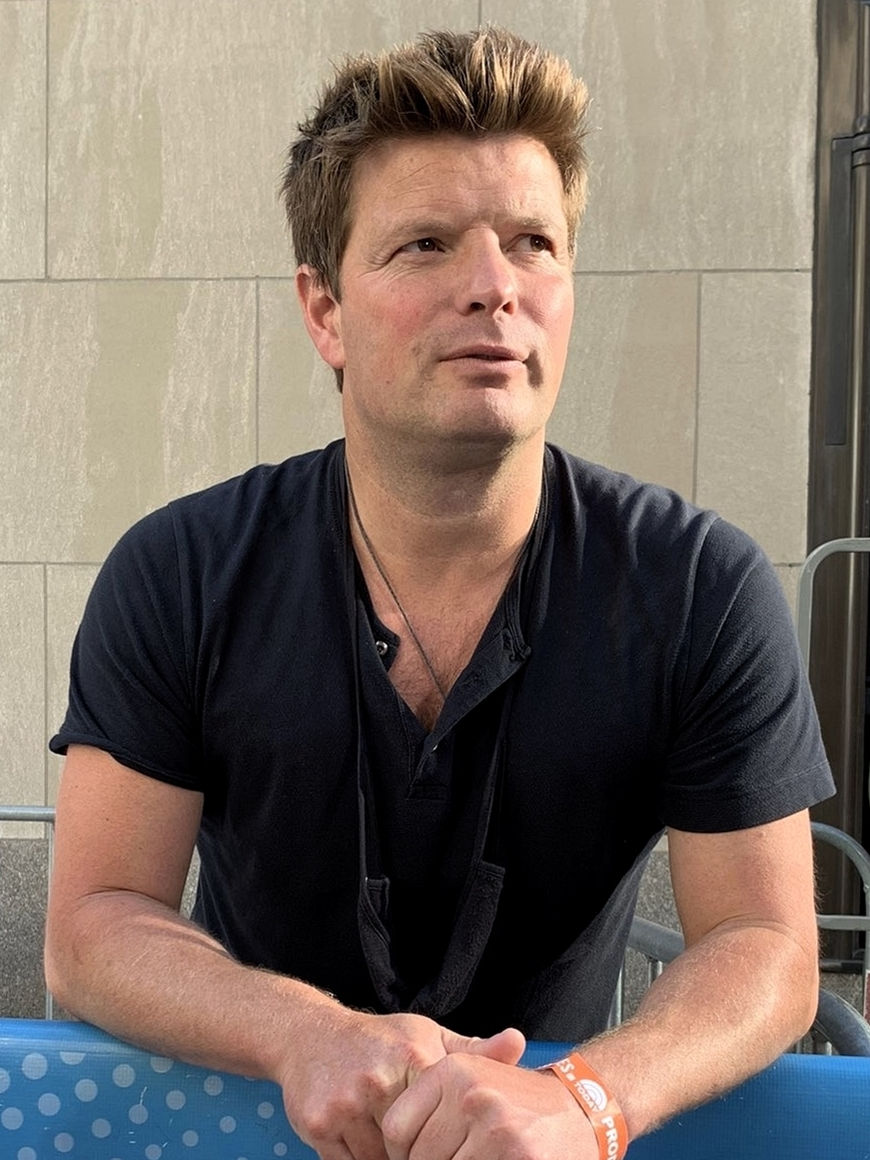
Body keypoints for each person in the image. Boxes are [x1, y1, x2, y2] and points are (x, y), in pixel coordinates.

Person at [45, 25, 834, 1160]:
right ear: (324, 309)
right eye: (425, 245)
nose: (494, 287)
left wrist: (590, 1100)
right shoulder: (180, 573)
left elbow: (767, 940)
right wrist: (302, 1034)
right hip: (252, 1123)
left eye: (533, 243)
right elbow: (93, 921)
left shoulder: (700, 586)